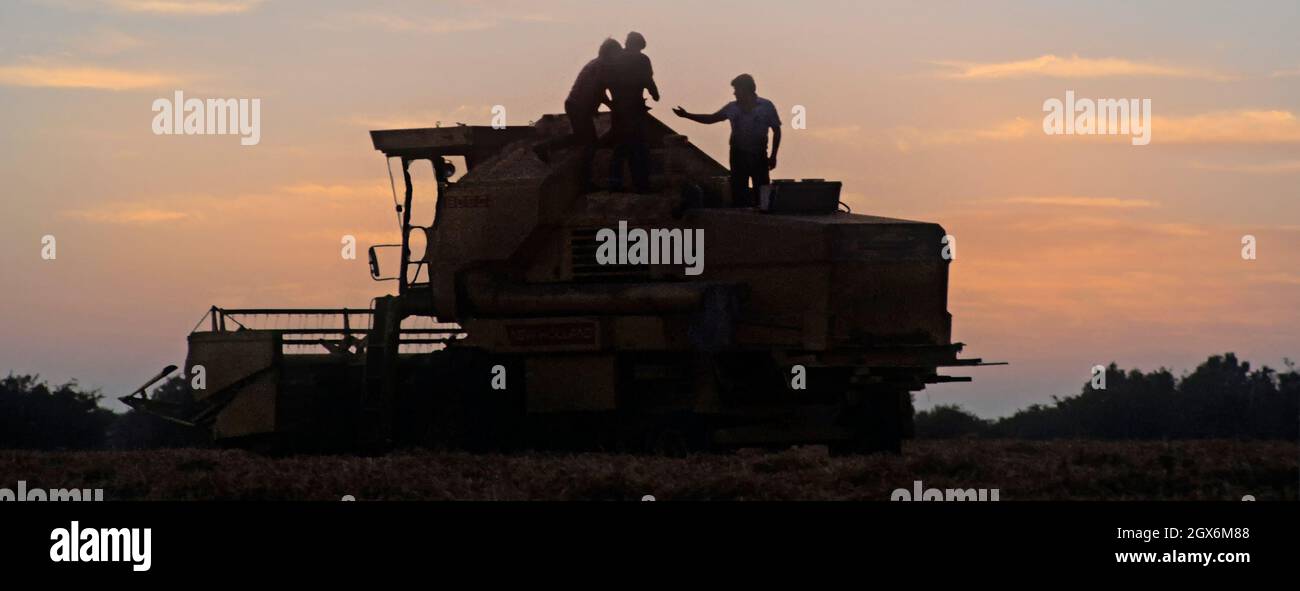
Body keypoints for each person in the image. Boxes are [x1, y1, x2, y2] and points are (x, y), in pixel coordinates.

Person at [672, 74, 781, 207]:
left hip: (759, 153)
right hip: (738, 154)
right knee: (739, 190)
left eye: (737, 89)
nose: (734, 93)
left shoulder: (766, 106)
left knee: (762, 190)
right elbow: (712, 118)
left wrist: (774, 155)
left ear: (746, 89)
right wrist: (687, 115)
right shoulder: (732, 107)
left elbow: (777, 130)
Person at [534, 38, 622, 190]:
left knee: (581, 137)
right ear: (611, 52)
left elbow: (597, 90)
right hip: (579, 107)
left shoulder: (595, 63)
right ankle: (585, 181)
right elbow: (600, 90)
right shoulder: (602, 66)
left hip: (576, 105)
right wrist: (613, 104)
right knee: (590, 143)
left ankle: (545, 147)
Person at [606, 31, 660, 193]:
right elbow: (648, 80)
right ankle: (641, 184)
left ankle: (615, 183)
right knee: (639, 148)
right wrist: (655, 94)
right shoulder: (641, 59)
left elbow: (607, 82)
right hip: (634, 109)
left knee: (620, 147)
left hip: (618, 109)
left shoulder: (614, 60)